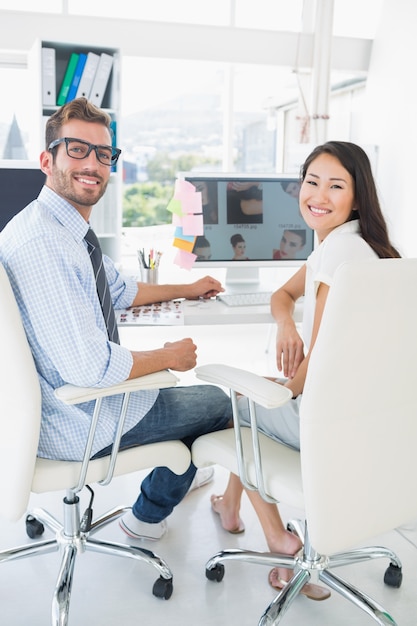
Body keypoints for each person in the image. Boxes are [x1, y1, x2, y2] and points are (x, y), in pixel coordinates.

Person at [0, 97, 233, 542]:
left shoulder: (58, 227)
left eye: (103, 154)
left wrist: (187, 287)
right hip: (77, 421)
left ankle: (178, 466)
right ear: (47, 159)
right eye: (77, 149)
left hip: (61, 403)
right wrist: (169, 356)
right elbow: (90, 369)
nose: (93, 163)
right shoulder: (45, 246)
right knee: (216, 403)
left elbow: (121, 289)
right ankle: (147, 515)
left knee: (183, 401)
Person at [210, 141, 401, 598]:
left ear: (356, 197)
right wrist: (286, 329)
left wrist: (288, 387)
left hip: (329, 420)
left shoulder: (340, 257)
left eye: (335, 185)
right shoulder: (355, 248)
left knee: (242, 403)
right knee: (264, 392)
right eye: (312, 182)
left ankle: (279, 539)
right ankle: (229, 505)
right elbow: (282, 297)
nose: (318, 194)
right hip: (372, 419)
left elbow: (323, 359)